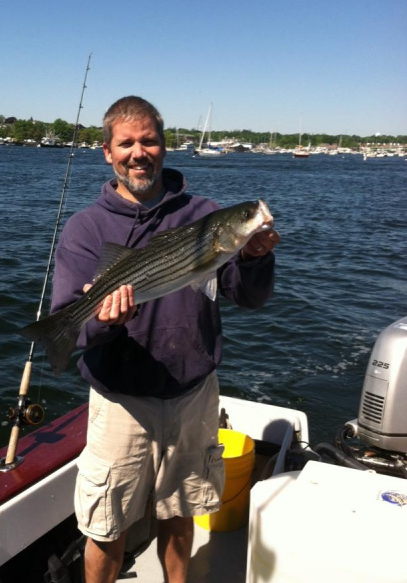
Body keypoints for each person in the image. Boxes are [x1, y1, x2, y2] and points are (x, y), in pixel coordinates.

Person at [51, 96, 279, 583]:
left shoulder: (207, 214)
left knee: (180, 515)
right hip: (121, 403)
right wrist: (103, 320)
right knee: (106, 528)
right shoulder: (85, 228)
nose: (139, 152)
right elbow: (74, 327)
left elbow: (248, 297)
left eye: (149, 140)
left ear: (165, 145)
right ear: (107, 153)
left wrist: (254, 255)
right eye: (126, 143)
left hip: (193, 397)